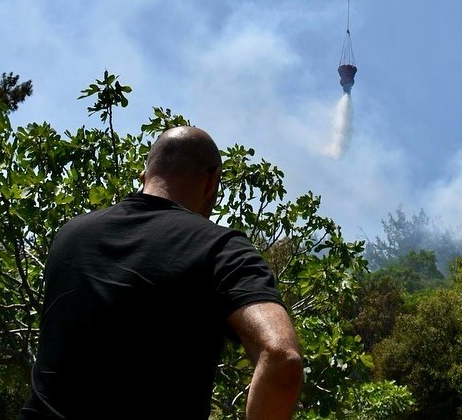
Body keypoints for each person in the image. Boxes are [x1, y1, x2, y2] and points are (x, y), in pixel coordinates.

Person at [20, 125, 304, 419]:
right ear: (212, 183)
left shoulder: (70, 234)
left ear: (144, 175)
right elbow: (282, 357)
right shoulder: (221, 248)